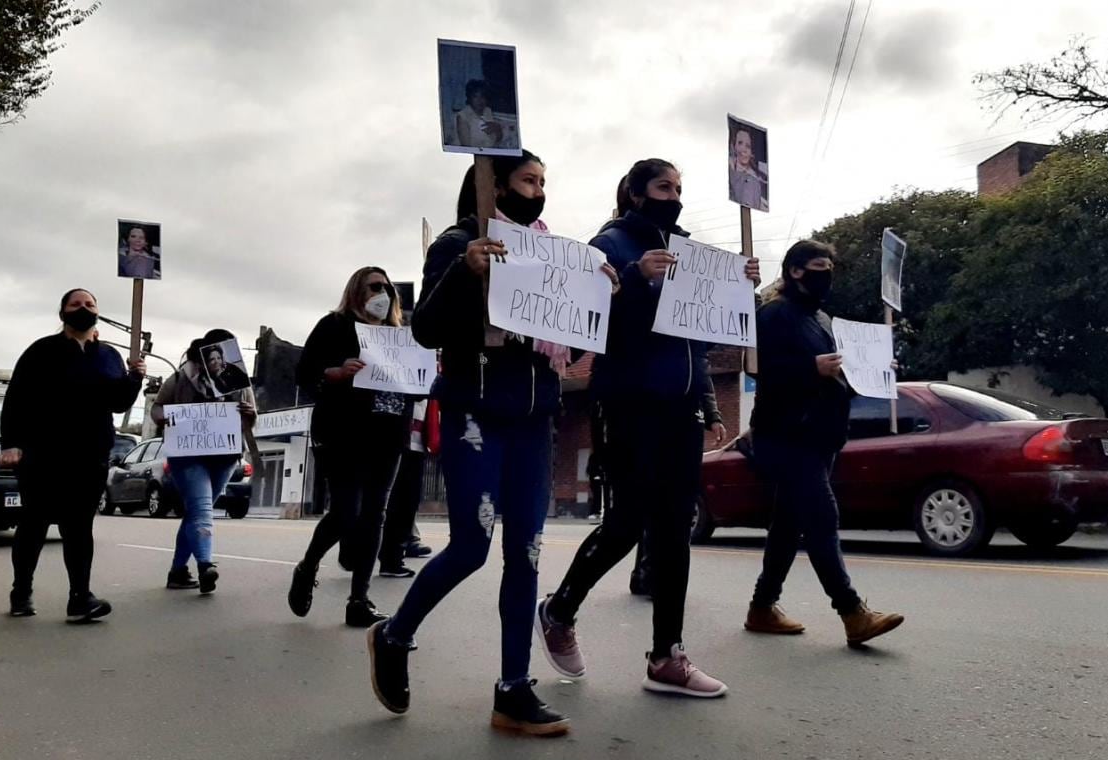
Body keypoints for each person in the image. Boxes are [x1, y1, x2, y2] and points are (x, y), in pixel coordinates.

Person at [367, 150, 616, 736]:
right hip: (474, 411)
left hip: (535, 418)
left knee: (525, 555)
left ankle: (513, 690)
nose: (539, 190)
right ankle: (395, 635)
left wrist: (600, 293)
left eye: (544, 182)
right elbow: (424, 327)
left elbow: (574, 340)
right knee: (471, 547)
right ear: (494, 184)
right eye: (529, 180)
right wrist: (466, 272)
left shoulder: (554, 253)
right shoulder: (457, 245)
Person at [536, 158, 760, 698]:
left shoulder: (689, 253)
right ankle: (560, 609)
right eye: (663, 186)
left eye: (680, 187)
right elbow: (586, 314)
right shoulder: (610, 244)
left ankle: (667, 656)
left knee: (675, 525)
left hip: (680, 408)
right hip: (628, 402)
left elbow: (697, 343)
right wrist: (637, 277)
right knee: (628, 521)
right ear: (636, 193)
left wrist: (740, 290)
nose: (674, 195)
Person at [742, 240, 904, 645]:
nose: (826, 272)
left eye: (830, 265)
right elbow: (758, 369)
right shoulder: (774, 314)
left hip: (821, 435)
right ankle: (852, 612)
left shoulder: (824, 320)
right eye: (818, 265)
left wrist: (874, 373)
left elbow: (835, 380)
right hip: (786, 435)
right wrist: (808, 368)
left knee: (788, 524)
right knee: (821, 518)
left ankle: (762, 607)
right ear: (795, 270)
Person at [0, 288, 146, 620]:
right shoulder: (41, 351)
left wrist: (135, 377)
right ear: (63, 312)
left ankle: (80, 597)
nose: (83, 308)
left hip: (90, 455)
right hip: (43, 455)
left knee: (79, 527)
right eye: (75, 304)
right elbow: (17, 398)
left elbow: (119, 402)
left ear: (97, 312)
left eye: (89, 304)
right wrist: (10, 443)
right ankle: (21, 590)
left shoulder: (108, 356)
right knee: (34, 524)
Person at [287, 267, 411, 627]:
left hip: (387, 435)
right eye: (375, 286)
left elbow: (415, 386)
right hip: (343, 432)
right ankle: (307, 567)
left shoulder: (398, 336)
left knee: (375, 513)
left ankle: (359, 599)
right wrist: (336, 372)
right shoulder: (334, 326)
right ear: (357, 290)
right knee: (347, 511)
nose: (383, 293)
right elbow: (304, 372)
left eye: (387, 288)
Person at [151, 330, 257, 594]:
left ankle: (177, 571)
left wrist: (249, 413)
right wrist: (168, 417)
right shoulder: (180, 378)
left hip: (224, 456)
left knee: (196, 512)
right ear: (203, 354)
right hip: (188, 456)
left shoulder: (238, 381)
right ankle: (205, 564)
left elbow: (251, 421)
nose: (218, 361)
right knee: (201, 508)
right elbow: (157, 409)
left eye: (222, 355)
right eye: (213, 356)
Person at [377, 400, 431, 578]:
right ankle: (379, 555)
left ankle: (393, 558)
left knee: (408, 501)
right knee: (387, 500)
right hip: (393, 435)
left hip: (418, 438)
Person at [455, 79, 506, 149]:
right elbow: (466, 147)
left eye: (483, 96)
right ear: (469, 98)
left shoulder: (487, 111)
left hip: (491, 151)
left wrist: (497, 128)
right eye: (475, 96)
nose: (480, 100)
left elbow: (497, 140)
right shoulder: (462, 116)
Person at [729, 127, 769, 212]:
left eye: (748, 146)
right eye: (740, 143)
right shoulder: (732, 171)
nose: (744, 149)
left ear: (751, 152)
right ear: (734, 145)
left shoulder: (758, 179)